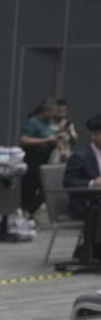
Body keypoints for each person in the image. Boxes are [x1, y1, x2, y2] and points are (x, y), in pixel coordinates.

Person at [63, 114, 101, 266]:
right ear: (94, 135)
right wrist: (92, 183)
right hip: (85, 202)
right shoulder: (80, 156)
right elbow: (68, 182)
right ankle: (95, 249)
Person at [19, 98, 59, 217]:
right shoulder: (32, 122)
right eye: (53, 112)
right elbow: (24, 140)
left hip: (44, 159)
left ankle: (28, 211)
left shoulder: (48, 124)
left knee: (45, 188)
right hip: (32, 158)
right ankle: (25, 213)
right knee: (30, 188)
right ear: (46, 111)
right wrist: (46, 140)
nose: (55, 115)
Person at [51, 98, 79, 164]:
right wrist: (59, 130)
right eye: (59, 111)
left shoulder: (68, 124)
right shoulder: (48, 123)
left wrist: (69, 131)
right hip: (53, 154)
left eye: (64, 111)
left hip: (67, 153)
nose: (62, 114)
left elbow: (74, 141)